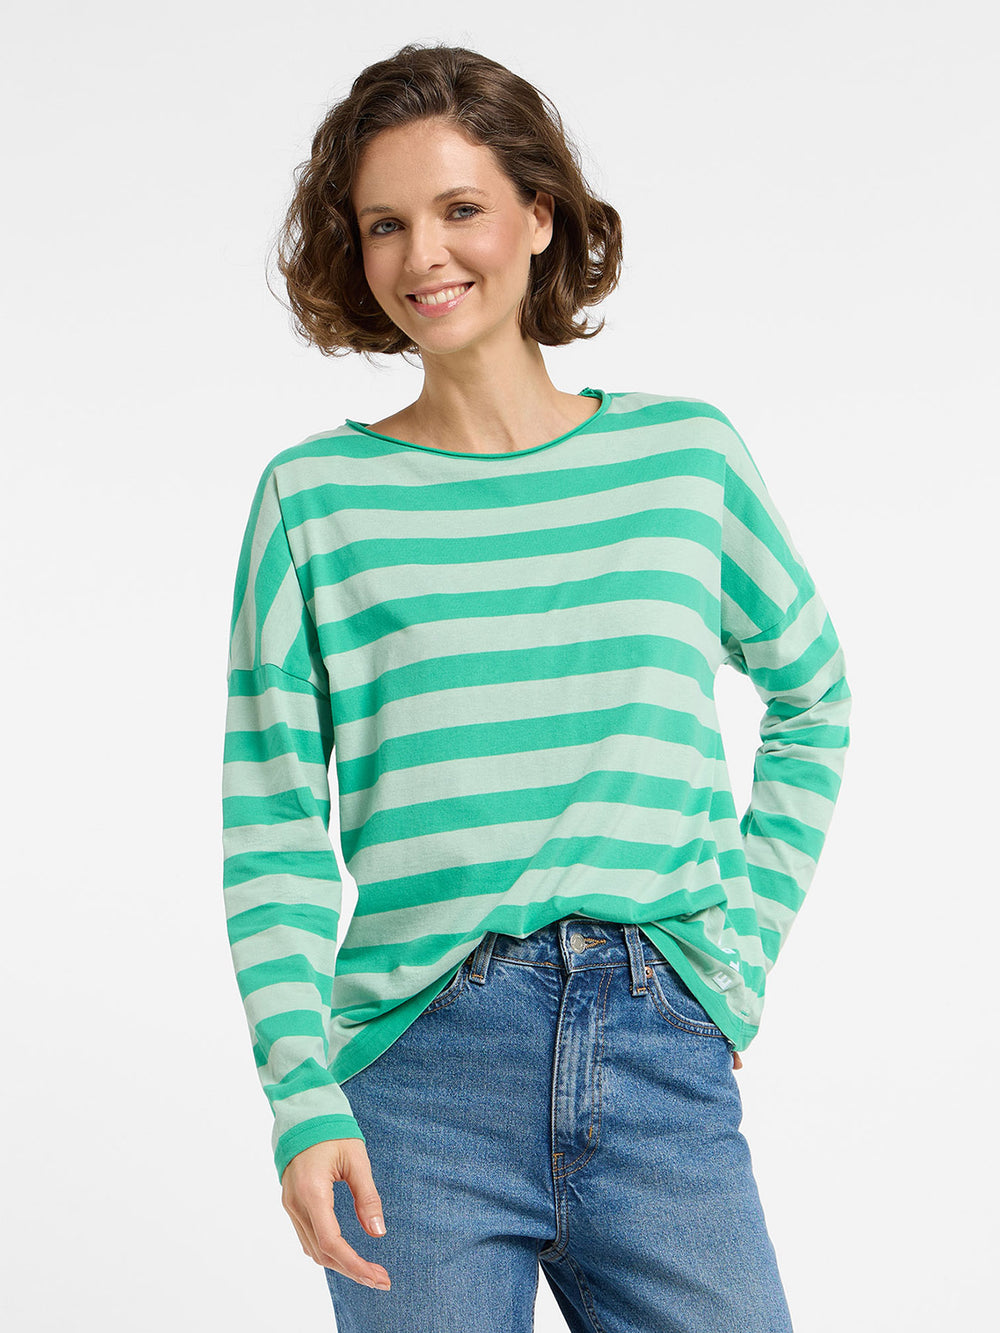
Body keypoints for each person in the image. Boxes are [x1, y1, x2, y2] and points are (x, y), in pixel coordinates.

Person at [221, 41, 851, 1333]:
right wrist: (301, 1096)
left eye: (460, 207)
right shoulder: (315, 502)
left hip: (660, 1048)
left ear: (540, 215)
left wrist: (734, 960)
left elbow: (815, 696)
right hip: (416, 1081)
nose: (424, 255)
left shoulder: (685, 460)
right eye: (384, 223)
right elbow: (273, 822)